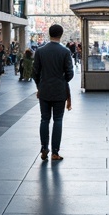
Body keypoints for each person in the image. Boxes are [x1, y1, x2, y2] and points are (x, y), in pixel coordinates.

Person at [32, 23, 74, 162]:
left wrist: (40, 85)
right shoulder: (65, 52)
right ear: (61, 35)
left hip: (44, 91)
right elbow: (70, 73)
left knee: (44, 119)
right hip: (59, 91)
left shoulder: (40, 51)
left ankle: (44, 147)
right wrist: (62, 80)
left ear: (49, 34)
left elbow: (35, 72)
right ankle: (55, 152)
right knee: (58, 119)